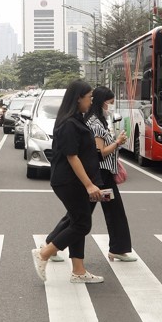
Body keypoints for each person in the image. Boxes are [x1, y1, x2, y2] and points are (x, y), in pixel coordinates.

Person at [31, 80, 104, 284]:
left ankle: (79, 271)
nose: (91, 101)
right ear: (78, 98)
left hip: (75, 181)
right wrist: (89, 185)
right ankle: (44, 253)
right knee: (81, 224)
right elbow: (73, 157)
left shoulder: (76, 120)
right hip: (70, 181)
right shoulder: (70, 123)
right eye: (89, 97)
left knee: (76, 221)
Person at [87, 86, 134, 261]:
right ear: (102, 102)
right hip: (100, 176)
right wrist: (118, 142)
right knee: (82, 214)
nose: (111, 107)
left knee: (114, 211)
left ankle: (118, 248)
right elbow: (100, 153)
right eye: (110, 103)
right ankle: (51, 245)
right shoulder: (95, 124)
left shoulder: (99, 121)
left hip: (104, 176)